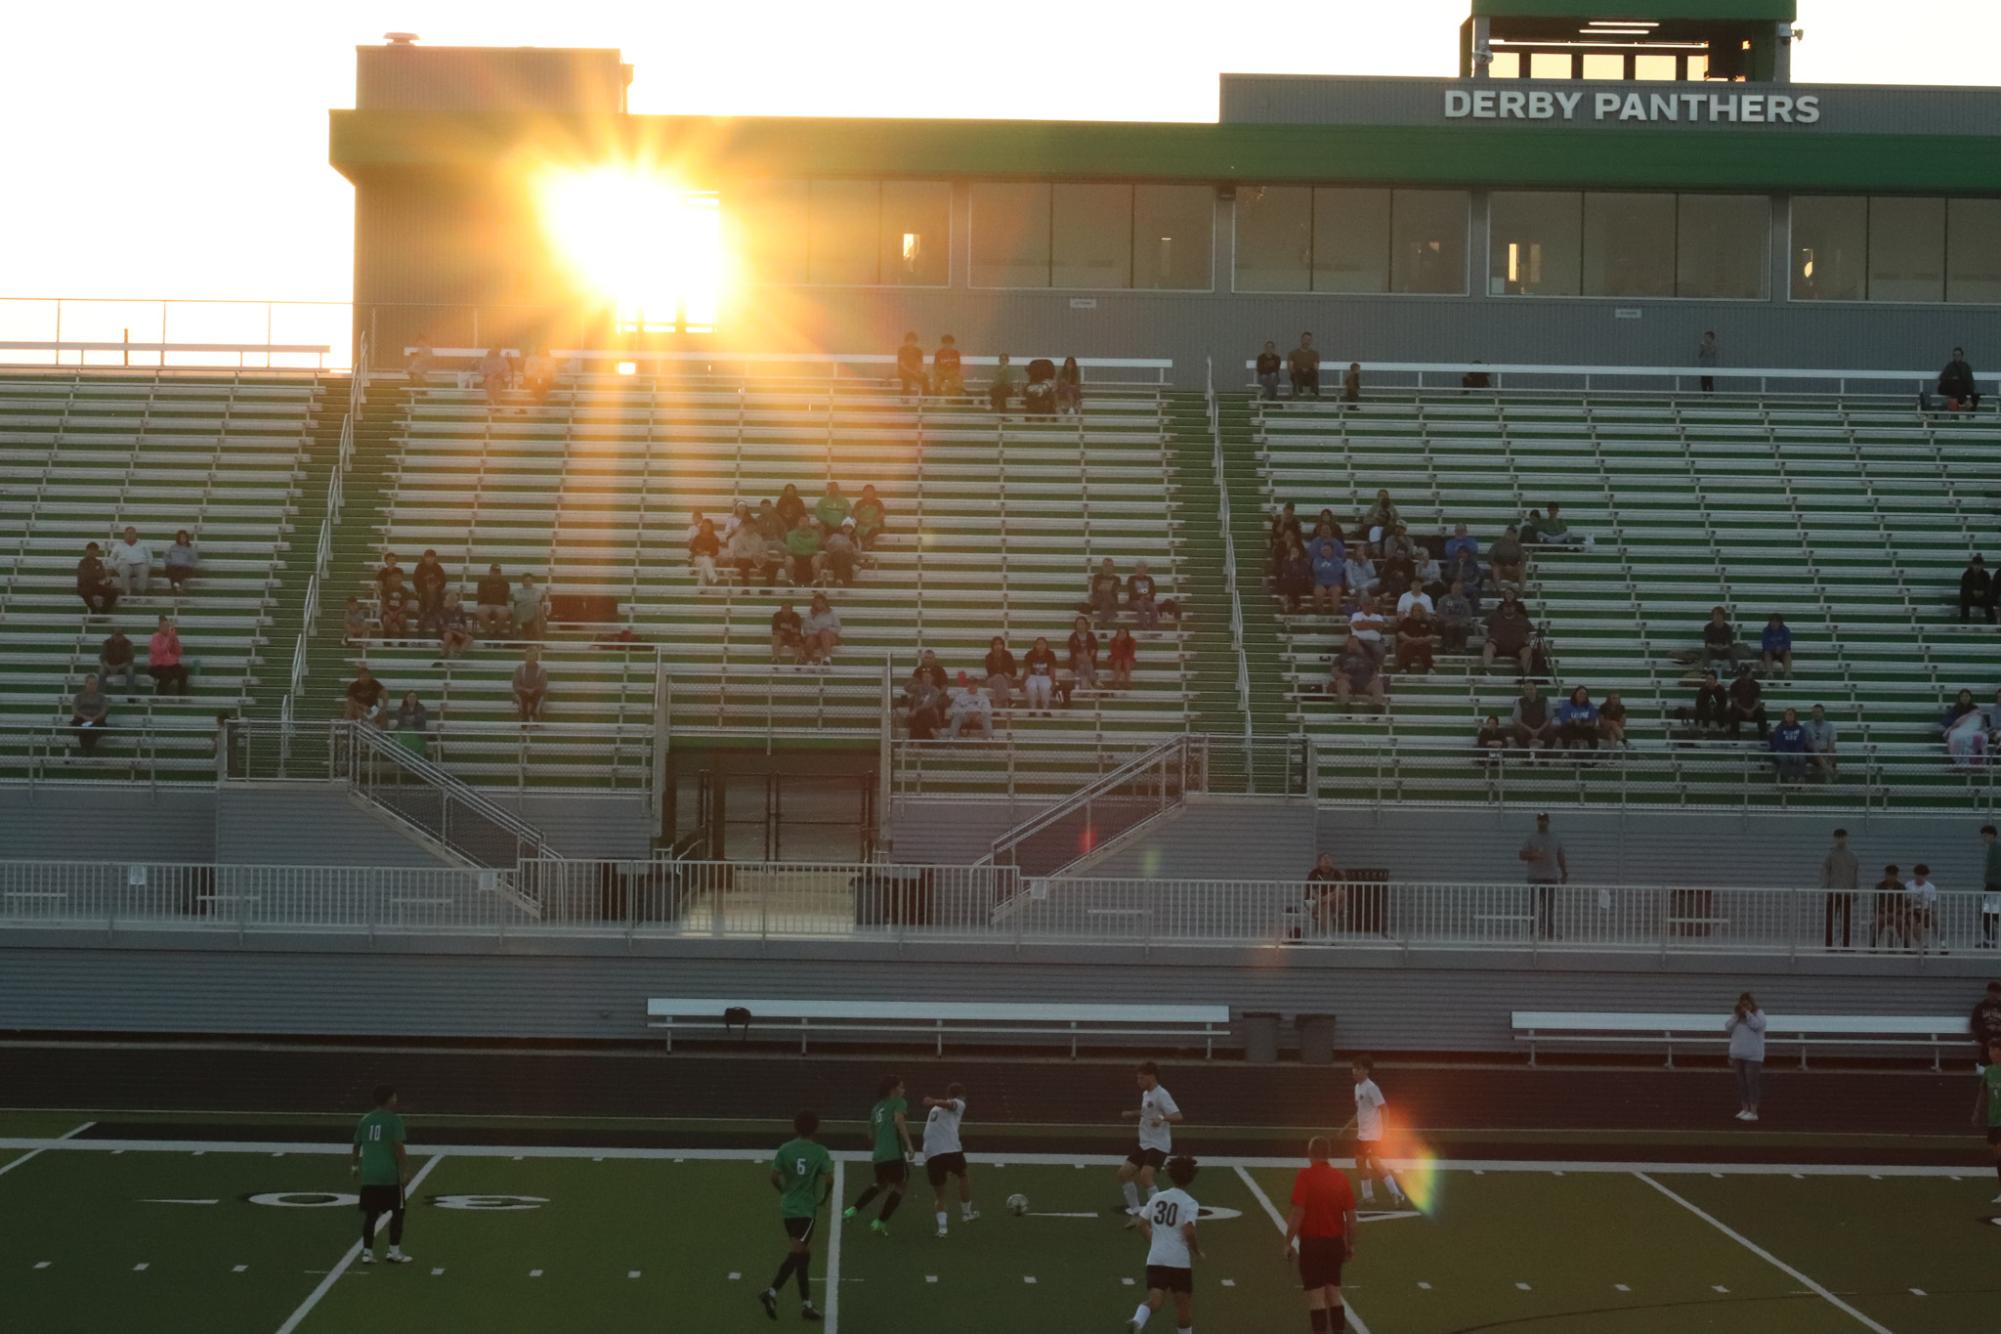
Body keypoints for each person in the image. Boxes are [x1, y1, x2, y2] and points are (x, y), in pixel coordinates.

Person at [761, 1110, 833, 1322]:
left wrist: (784, 1191)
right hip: (806, 1211)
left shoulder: (785, 1149)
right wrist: (824, 1198)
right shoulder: (820, 1152)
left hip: (788, 1210)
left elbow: (774, 1177)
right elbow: (829, 1180)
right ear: (816, 1129)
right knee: (798, 1253)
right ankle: (772, 1292)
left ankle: (807, 1305)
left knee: (804, 1254)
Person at [1283, 1136, 1358, 1334]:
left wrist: (1288, 1242)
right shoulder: (1341, 1178)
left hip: (1312, 1244)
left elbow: (1298, 1212)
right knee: (1334, 1292)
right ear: (1328, 1154)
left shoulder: (1305, 1177)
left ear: (1310, 1154)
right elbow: (1351, 1218)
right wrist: (1350, 1245)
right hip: (1335, 1244)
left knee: (1316, 1296)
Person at [1127, 1155, 1201, 1334]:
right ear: (1191, 1177)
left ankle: (1138, 1320)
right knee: (1183, 1306)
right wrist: (1197, 1251)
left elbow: (1141, 1224)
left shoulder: (1158, 1197)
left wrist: (1155, 1241)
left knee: (1154, 1301)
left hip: (1156, 1258)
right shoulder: (1190, 1203)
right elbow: (1189, 1231)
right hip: (1179, 1261)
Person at [844, 1075, 915, 1236]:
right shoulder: (899, 1102)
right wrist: (909, 1145)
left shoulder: (876, 1108)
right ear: (893, 1090)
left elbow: (870, 1134)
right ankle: (880, 1222)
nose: (904, 1090)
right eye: (901, 1087)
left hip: (879, 1155)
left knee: (881, 1184)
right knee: (900, 1185)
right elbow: (899, 1121)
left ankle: (852, 1210)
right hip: (893, 1154)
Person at [1117, 1062, 1183, 1228]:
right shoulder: (1147, 1093)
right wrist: (1132, 1114)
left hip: (1159, 1144)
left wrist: (1161, 1119)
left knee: (1145, 1177)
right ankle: (1137, 1214)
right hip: (1145, 1143)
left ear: (1151, 1077)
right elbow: (1147, 1112)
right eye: (1137, 1078)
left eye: (1141, 1078)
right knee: (1123, 1174)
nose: (1138, 1081)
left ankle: (1159, 1217)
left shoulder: (1162, 1094)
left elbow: (1178, 1116)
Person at [352, 1085, 412, 1265]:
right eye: (394, 1096)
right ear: (389, 1099)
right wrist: (405, 1169)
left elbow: (356, 1144)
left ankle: (367, 1253)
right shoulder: (394, 1120)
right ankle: (394, 1251)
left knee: (370, 1215)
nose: (396, 1099)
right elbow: (398, 1147)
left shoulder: (365, 1119)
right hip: (389, 1175)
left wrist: (355, 1165)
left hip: (370, 1174)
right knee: (398, 1212)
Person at [1340, 1055, 1406, 1207]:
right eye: (1354, 1068)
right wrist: (1346, 1127)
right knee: (1359, 1162)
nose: (1355, 1071)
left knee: (1375, 1162)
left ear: (1367, 1071)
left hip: (1373, 1134)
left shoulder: (1372, 1088)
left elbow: (1384, 1108)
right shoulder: (1357, 1088)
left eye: (1358, 1069)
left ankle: (1396, 1193)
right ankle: (1368, 1196)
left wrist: (1386, 1130)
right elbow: (1360, 1112)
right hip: (1362, 1135)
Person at [921, 1083, 976, 1238]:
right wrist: (933, 1100)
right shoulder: (958, 1103)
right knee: (963, 1175)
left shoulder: (934, 1110)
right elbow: (950, 1104)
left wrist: (933, 1102)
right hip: (950, 1149)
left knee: (940, 1195)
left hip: (931, 1153)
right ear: (960, 1095)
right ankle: (966, 1213)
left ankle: (942, 1229)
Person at [1520, 812, 1567, 938]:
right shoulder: (1531, 838)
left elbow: (1561, 857)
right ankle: (1533, 931)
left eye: (1544, 820)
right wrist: (1533, 855)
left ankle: (1548, 932)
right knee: (1533, 907)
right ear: (1537, 821)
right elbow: (1522, 855)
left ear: (1548, 822)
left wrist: (1564, 873)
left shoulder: (1555, 838)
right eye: (1540, 820)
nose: (1542, 822)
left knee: (1549, 908)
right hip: (1534, 879)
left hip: (1551, 878)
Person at [1726, 993, 1766, 1122]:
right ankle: (1745, 1108)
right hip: (1738, 1054)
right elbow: (1728, 1027)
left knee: (1751, 1083)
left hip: (1753, 1056)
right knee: (1742, 1084)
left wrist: (1748, 1013)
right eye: (1742, 1003)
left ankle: (1753, 1112)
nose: (1744, 1006)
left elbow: (1757, 1026)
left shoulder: (1759, 1014)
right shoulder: (1736, 1016)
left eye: (1747, 1003)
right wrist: (1737, 1015)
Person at [1821, 828, 1859, 949]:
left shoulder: (1853, 856)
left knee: (1846, 921)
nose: (1840, 839)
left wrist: (1856, 891)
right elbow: (1825, 872)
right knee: (1830, 920)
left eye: (1842, 837)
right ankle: (1829, 945)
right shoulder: (1830, 855)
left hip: (1847, 892)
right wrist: (1825, 889)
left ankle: (1846, 945)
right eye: (1838, 837)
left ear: (1847, 838)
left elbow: (1856, 874)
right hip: (1833, 891)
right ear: (1834, 839)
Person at [1974, 1039, 2001, 1207]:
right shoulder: (1989, 1071)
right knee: (1997, 1157)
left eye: (1996, 1050)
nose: (1993, 1054)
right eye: (1991, 1051)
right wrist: (1977, 1112)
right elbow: (1982, 1092)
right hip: (1993, 1119)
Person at [1331, 641, 1387, 712]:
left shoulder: (1367, 658)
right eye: (1351, 642)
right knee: (1341, 682)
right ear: (1347, 645)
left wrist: (1374, 676)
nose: (1353, 644)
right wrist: (1342, 675)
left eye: (1355, 642)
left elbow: (1374, 671)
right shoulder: (1340, 657)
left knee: (1378, 684)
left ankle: (1376, 707)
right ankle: (1345, 707)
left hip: (1366, 682)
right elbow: (1334, 671)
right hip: (1348, 682)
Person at [1924, 345, 1979, 413]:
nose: (1956, 357)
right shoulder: (1950, 366)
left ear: (1962, 356)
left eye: (1958, 355)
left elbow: (1969, 380)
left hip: (1961, 389)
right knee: (1956, 385)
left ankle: (1955, 408)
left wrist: (1971, 390)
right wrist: (1951, 378)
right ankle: (1968, 405)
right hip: (1950, 388)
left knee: (1959, 387)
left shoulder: (1966, 366)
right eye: (1955, 355)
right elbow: (1942, 377)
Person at [1944, 688, 1988, 768]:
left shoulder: (1975, 709)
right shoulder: (1954, 709)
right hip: (1958, 731)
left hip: (1972, 731)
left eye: (1967, 696)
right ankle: (1961, 763)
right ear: (1959, 698)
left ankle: (1977, 763)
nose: (1965, 698)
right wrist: (1959, 724)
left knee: (1981, 737)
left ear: (1970, 697)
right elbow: (1949, 722)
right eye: (1963, 696)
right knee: (1959, 738)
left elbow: (1979, 721)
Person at [147, 616, 189, 696]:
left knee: (183, 672)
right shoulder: (155, 638)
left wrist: (174, 641)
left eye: (167, 626)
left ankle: (182, 696)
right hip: (158, 665)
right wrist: (168, 640)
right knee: (166, 675)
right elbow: (159, 651)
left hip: (171, 665)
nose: (167, 628)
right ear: (159, 628)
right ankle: (161, 694)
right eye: (164, 626)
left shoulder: (171, 637)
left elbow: (179, 652)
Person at [107, 526, 153, 597]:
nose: (130, 535)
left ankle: (140, 592)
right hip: (125, 565)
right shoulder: (119, 545)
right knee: (123, 568)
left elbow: (150, 557)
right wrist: (116, 566)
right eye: (128, 533)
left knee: (144, 568)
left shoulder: (143, 544)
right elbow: (111, 558)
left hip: (140, 564)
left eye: (132, 533)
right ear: (125, 535)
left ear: (135, 534)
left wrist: (148, 565)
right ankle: (127, 592)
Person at [1905, 864, 1941, 954]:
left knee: (1935, 921)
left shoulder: (1931, 887)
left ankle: (1943, 944)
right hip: (1913, 911)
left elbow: (1932, 903)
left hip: (1925, 911)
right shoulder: (1908, 885)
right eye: (1917, 874)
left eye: (1922, 875)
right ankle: (1922, 944)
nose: (1919, 877)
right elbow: (1906, 900)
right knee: (1912, 922)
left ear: (1925, 876)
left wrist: (1929, 911)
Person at [1511, 680, 1555, 754]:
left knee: (1551, 734)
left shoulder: (1544, 700)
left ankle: (1545, 758)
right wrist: (1530, 730)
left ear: (1536, 690)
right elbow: (1516, 719)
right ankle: (1527, 757)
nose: (1529, 691)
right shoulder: (1520, 701)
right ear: (1524, 691)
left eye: (1531, 689)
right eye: (1527, 689)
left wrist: (1539, 730)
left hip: (1541, 728)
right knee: (1518, 733)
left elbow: (1549, 718)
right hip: (1526, 729)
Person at [70, 674, 110, 754]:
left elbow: (104, 710)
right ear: (86, 684)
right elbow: (75, 710)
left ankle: (87, 751)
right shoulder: (79, 697)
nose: (93, 686)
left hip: (97, 721)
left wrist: (95, 718)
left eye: (95, 684)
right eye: (90, 684)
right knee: (84, 727)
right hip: (81, 720)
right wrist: (85, 717)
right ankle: (86, 750)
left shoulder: (101, 697)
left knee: (93, 727)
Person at [945, 674, 994, 738]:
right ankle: (951, 740)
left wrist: (978, 713)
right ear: (967, 685)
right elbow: (954, 709)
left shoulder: (983, 697)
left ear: (977, 685)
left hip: (978, 717)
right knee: (957, 715)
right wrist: (966, 712)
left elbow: (988, 709)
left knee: (986, 715)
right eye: (970, 684)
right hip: (965, 716)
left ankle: (989, 739)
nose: (972, 686)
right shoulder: (961, 696)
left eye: (974, 684)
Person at [76, 542, 118, 614]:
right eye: (90, 550)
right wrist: (98, 575)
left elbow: (102, 575)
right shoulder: (82, 563)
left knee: (113, 592)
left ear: (97, 552)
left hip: (95, 586)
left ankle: (103, 611)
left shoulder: (99, 562)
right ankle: (94, 610)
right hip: (85, 586)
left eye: (94, 550)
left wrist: (106, 580)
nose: (92, 552)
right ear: (87, 551)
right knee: (85, 593)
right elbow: (85, 577)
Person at [1728, 668, 1769, 741]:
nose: (1744, 676)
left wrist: (1752, 710)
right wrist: (1745, 710)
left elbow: (1757, 700)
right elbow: (1735, 702)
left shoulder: (1755, 685)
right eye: (1742, 674)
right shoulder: (1734, 685)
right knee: (1733, 712)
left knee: (1761, 713)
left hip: (1753, 709)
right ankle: (1735, 735)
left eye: (1745, 674)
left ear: (1749, 674)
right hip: (1740, 710)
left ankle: (1763, 736)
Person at [1275, 537, 1314, 614]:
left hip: (1301, 583)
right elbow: (1285, 571)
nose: (1294, 553)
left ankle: (1286, 603)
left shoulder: (1304, 562)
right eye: (1293, 551)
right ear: (1290, 552)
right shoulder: (1286, 560)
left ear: (1299, 552)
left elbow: (1303, 572)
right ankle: (1298, 605)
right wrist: (1291, 561)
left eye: (1296, 551)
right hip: (1291, 583)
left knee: (1290, 582)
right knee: (1289, 582)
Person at [1771, 707, 1810, 782]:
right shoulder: (1779, 728)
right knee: (1784, 758)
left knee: (1802, 758)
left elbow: (1801, 742)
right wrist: (1788, 753)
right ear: (1784, 716)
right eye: (1787, 714)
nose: (1789, 716)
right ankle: (1789, 777)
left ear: (1795, 716)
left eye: (1791, 714)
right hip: (1782, 751)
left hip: (1796, 751)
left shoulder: (1800, 729)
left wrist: (1796, 752)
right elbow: (1779, 743)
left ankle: (1800, 778)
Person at [1346, 593, 1388, 664]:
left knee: (1380, 651)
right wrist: (1373, 624)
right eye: (1365, 604)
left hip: (1375, 641)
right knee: (1360, 651)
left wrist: (1365, 622)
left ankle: (1376, 668)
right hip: (1359, 641)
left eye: (1369, 604)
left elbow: (1380, 625)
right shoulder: (1356, 615)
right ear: (1362, 605)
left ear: (1373, 605)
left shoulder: (1378, 616)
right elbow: (1357, 626)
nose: (1367, 606)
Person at [1555, 686, 1599, 753]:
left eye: (1584, 694)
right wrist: (1573, 721)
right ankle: (1565, 752)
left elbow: (1593, 721)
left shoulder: (1590, 706)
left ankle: (1594, 754)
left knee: (1593, 731)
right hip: (1571, 727)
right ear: (1575, 694)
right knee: (1566, 729)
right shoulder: (1567, 705)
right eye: (1580, 693)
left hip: (1584, 728)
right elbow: (1563, 719)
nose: (1582, 696)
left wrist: (1583, 724)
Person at [785, 516, 825, 587]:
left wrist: (800, 541)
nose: (803, 523)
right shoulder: (791, 534)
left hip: (811, 555)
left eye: (805, 521)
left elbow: (815, 543)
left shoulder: (815, 533)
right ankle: (790, 581)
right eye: (801, 521)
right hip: (795, 555)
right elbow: (793, 544)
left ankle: (816, 581)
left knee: (816, 560)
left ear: (809, 523)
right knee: (788, 560)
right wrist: (807, 543)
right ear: (798, 523)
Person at [802, 593, 842, 664]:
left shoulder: (831, 613)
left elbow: (838, 628)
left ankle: (827, 658)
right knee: (810, 639)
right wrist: (817, 632)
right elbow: (806, 630)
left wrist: (826, 630)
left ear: (825, 603)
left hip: (829, 637)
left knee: (824, 633)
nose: (819, 604)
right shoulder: (810, 614)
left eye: (821, 602)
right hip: (816, 636)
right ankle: (810, 661)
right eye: (817, 602)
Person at [411, 549, 448, 628]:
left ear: (435, 558)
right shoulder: (420, 567)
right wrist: (419, 591)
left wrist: (436, 587)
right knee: (424, 596)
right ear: (424, 558)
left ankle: (432, 613)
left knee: (437, 596)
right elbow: (415, 580)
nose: (430, 559)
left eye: (431, 557)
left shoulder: (438, 568)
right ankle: (424, 613)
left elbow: (443, 581)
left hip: (435, 591)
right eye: (427, 557)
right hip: (423, 592)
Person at [1435, 578, 1474, 651]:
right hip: (1446, 622)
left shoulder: (1465, 601)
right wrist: (1448, 620)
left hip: (1460, 622)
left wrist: (1459, 622)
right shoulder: (1444, 599)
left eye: (1458, 589)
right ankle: (1448, 646)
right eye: (1454, 588)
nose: (1456, 590)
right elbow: (1438, 613)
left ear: (1461, 590)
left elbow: (1468, 616)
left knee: (1463, 626)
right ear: (1451, 588)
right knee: (1448, 626)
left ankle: (1460, 647)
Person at [1022, 636, 1058, 715]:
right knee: (1031, 687)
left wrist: (1053, 682)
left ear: (1046, 645)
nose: (1041, 646)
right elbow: (1027, 670)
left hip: (1046, 676)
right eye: (1038, 644)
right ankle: (1032, 709)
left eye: (1043, 644)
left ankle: (1045, 709)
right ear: (1035, 645)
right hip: (1032, 676)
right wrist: (1023, 683)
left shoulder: (1050, 654)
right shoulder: (1030, 654)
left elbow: (1052, 670)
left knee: (1045, 688)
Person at [1395, 604, 1435, 675]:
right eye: (1415, 610)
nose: (1416, 612)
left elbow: (1431, 635)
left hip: (1422, 643)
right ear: (1412, 611)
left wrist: (1423, 639)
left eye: (1419, 610)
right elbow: (1400, 633)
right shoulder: (1406, 621)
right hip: (1409, 642)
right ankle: (1404, 668)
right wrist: (1410, 639)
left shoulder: (1426, 622)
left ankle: (1429, 668)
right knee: (1407, 646)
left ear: (1422, 612)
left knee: (1426, 647)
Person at [1802, 703, 1839, 779]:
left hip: (1825, 752)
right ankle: (1829, 770)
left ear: (1823, 713)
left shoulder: (1830, 726)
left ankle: (1827, 769)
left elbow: (1832, 742)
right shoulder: (1806, 725)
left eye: (1818, 712)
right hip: (1811, 753)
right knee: (1815, 750)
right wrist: (1816, 751)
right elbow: (1805, 742)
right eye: (1814, 712)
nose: (1816, 714)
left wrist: (1828, 755)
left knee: (1833, 751)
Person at [512, 647, 549, 723]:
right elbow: (515, 684)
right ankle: (526, 716)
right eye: (528, 656)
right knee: (522, 695)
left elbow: (543, 685)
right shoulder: (520, 669)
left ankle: (533, 713)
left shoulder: (542, 670)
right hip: (523, 692)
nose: (530, 658)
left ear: (536, 657)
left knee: (540, 693)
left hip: (536, 693)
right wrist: (526, 690)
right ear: (525, 657)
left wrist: (533, 689)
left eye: (532, 656)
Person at [980, 637, 1017, 710]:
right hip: (992, 680)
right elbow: (990, 672)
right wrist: (1003, 673)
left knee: (998, 685)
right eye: (995, 644)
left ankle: (996, 710)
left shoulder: (1008, 655)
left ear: (1003, 645)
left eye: (1000, 644)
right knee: (998, 677)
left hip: (1007, 680)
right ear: (992, 646)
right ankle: (1007, 699)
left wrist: (1009, 675)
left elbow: (1014, 672)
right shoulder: (989, 657)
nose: (998, 646)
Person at [1067, 616, 1100, 695]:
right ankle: (1094, 681)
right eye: (1079, 624)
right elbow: (1073, 652)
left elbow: (1094, 648)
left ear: (1086, 625)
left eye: (1082, 623)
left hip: (1089, 659)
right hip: (1077, 660)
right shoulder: (1073, 636)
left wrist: (1090, 657)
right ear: (1076, 625)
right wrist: (1084, 658)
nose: (1081, 625)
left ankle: (1084, 689)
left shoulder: (1090, 635)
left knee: (1083, 666)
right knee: (1084, 664)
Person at [474, 564, 511, 635]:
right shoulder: (482, 582)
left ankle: (496, 631)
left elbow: (505, 597)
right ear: (490, 572)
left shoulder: (505, 583)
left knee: (504, 613)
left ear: (500, 573)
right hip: (485, 605)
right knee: (480, 611)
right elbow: (480, 596)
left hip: (500, 605)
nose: (495, 574)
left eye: (497, 572)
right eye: (494, 572)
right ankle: (491, 631)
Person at [510, 573, 548, 641]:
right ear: (522, 582)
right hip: (522, 610)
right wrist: (530, 600)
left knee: (536, 607)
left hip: (531, 610)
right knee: (535, 606)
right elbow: (516, 598)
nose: (528, 582)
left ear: (533, 582)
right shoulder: (518, 591)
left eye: (530, 580)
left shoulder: (537, 591)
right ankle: (538, 636)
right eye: (526, 580)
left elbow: (537, 598)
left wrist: (524, 601)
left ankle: (521, 625)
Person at [99, 627, 136, 694]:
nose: (118, 637)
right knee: (102, 669)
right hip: (109, 665)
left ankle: (130, 695)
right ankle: (101, 694)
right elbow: (102, 658)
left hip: (123, 666)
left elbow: (130, 660)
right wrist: (109, 667)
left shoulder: (128, 643)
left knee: (130, 670)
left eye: (120, 635)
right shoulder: (106, 643)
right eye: (116, 634)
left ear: (123, 635)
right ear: (112, 634)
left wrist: (118, 667)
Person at [1690, 670, 1729, 734]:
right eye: (1707, 679)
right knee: (1705, 708)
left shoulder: (1721, 689)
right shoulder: (1703, 690)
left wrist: (1715, 709)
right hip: (1705, 713)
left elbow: (1723, 703)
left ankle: (1722, 727)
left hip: (1718, 712)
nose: (1709, 681)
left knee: (1721, 709)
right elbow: (1699, 704)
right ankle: (1705, 727)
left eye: (1711, 679)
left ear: (1715, 680)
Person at [1971, 981, 2001, 1063]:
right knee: (1989, 1045)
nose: (1994, 994)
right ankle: (1985, 1067)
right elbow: (1975, 1024)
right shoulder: (1980, 1008)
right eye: (1992, 992)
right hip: (1985, 1036)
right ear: (1988, 992)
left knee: (1997, 1044)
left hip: (1999, 1035)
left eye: (1997, 992)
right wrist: (1987, 1034)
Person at [851, 485, 887, 551]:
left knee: (873, 530)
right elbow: (855, 515)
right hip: (861, 524)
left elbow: (882, 514)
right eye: (866, 491)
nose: (868, 493)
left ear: (874, 493)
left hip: (874, 524)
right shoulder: (859, 503)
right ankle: (859, 546)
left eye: (870, 491)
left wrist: (871, 521)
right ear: (863, 492)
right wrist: (862, 521)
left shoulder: (878, 503)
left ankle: (866, 544)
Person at [1982, 825, 2001, 950]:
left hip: (1994, 885)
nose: (1984, 838)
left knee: (1989, 913)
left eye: (1985, 835)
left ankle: (1990, 940)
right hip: (1992, 884)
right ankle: (1989, 939)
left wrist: (1990, 874)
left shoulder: (1996, 848)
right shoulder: (1992, 848)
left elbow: (1997, 865)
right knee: (1990, 913)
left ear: (1992, 835)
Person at [1961, 555, 1994, 625]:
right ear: (1972, 565)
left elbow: (1989, 587)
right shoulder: (1966, 574)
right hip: (1970, 597)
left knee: (1989, 600)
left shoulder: (1986, 575)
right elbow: (1964, 588)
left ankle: (1991, 622)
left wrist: (1983, 592)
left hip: (1982, 598)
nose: (1977, 567)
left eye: (1979, 565)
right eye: (1975, 565)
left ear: (1982, 566)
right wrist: (1973, 591)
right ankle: (1964, 621)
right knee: (1964, 599)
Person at [1090, 558, 1125, 624]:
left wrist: (1103, 588)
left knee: (1105, 602)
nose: (1108, 568)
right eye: (1106, 565)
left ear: (1113, 567)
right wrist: (1108, 589)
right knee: (1105, 595)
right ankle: (1113, 611)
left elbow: (1115, 592)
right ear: (1102, 567)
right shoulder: (1097, 577)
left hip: (1110, 600)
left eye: (1110, 566)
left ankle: (1102, 625)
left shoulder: (1117, 579)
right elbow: (1095, 590)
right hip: (1099, 600)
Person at [1128, 562, 1160, 630]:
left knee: (1154, 606)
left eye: (1142, 570)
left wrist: (1149, 595)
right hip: (1134, 601)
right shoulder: (1131, 579)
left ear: (1145, 570)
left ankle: (1154, 627)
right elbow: (1131, 592)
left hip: (1147, 600)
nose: (1140, 571)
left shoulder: (1149, 579)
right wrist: (1140, 597)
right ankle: (1144, 626)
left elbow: (1153, 591)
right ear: (1136, 570)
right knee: (1140, 605)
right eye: (1138, 569)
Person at [1288, 333, 1320, 399]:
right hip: (1298, 375)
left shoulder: (1315, 354)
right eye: (1305, 339)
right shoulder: (1293, 353)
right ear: (1301, 340)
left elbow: (1316, 367)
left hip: (1309, 376)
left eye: (1309, 340)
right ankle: (1298, 394)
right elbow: (1290, 368)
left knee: (1314, 373)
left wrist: (1307, 370)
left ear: (1311, 341)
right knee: (1297, 372)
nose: (1306, 341)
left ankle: (1314, 394)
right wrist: (1301, 370)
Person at [895, 331, 927, 397]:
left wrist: (919, 372)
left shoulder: (918, 351)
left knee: (925, 377)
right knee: (906, 378)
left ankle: (926, 397)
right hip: (903, 371)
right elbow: (902, 365)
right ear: (906, 341)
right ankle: (905, 397)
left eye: (913, 341)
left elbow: (920, 363)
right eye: (909, 341)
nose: (911, 343)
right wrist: (913, 372)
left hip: (915, 371)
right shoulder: (902, 350)